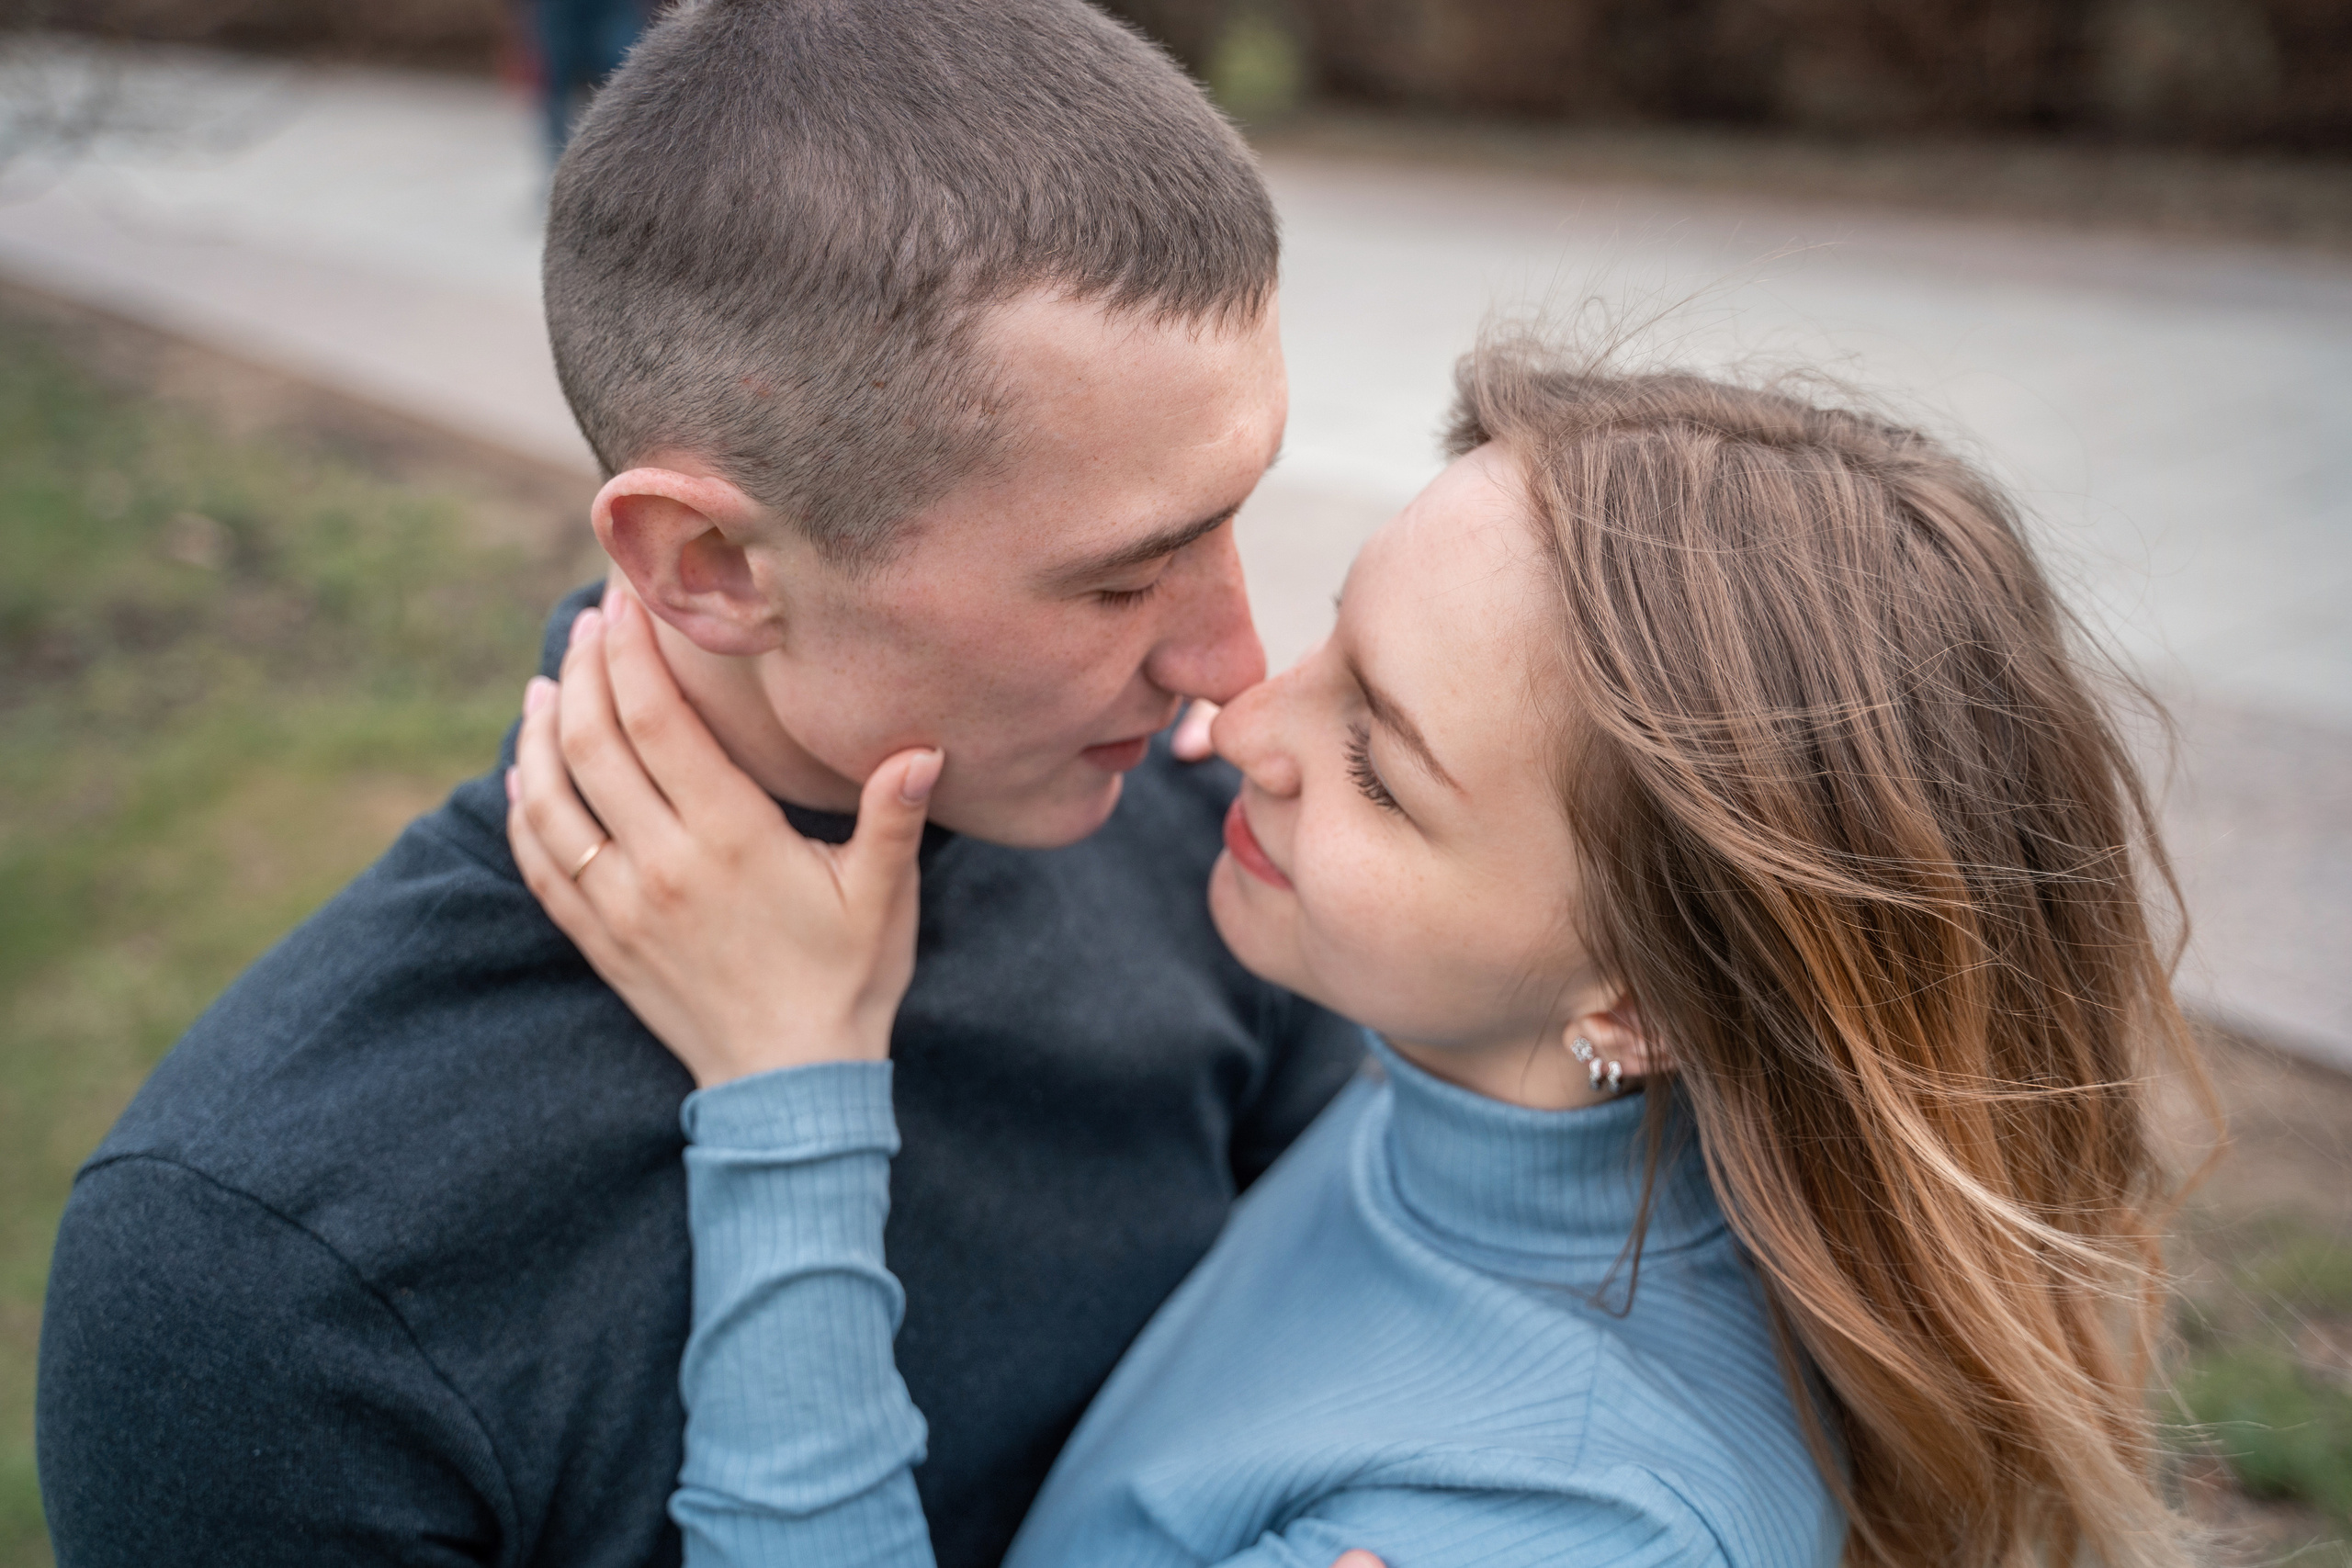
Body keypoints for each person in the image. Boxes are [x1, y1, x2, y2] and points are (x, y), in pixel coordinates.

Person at [510, 338, 2212, 1568]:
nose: (1238, 721)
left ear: (1641, 999)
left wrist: (790, 1086)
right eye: (1337, 635)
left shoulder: (1554, 1529)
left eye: (1383, 768)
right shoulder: (1508, 1093)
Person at [33, 3, 1367, 1563]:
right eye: (1120, 582)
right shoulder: (257, 1276)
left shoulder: (1207, 846)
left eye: (1234, 515)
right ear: (711, 565)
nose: (1232, 666)